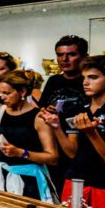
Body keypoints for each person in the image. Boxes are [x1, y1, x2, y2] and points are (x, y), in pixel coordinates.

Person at [40, 55, 105, 208]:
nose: (85, 82)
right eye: (84, 77)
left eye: (93, 77)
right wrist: (57, 128)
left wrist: (91, 133)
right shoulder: (77, 110)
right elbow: (71, 152)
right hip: (76, 180)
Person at [0, 70, 58, 202]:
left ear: (22, 92)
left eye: (6, 93)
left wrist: (21, 153)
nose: (1, 97)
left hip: (29, 182)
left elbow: (52, 157)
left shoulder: (38, 117)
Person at [39, 35, 89, 195]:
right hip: (54, 147)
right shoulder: (53, 81)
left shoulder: (90, 81)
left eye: (71, 54)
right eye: (60, 55)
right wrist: (46, 111)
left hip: (84, 149)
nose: (64, 59)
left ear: (83, 57)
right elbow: (41, 109)